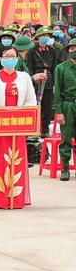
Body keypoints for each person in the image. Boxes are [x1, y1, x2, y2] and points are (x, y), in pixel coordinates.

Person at [0, 42, 37, 208]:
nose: (10, 59)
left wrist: (21, 114)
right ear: (0, 59)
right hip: (0, 126)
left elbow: (30, 100)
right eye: (6, 56)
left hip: (17, 126)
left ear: (17, 59)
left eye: (13, 56)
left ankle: (16, 198)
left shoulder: (24, 77)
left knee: (16, 161)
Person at [53, 38, 76, 181]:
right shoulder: (61, 68)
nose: (74, 51)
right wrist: (59, 112)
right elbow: (57, 92)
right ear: (68, 51)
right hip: (67, 105)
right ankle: (65, 168)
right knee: (66, 138)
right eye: (72, 48)